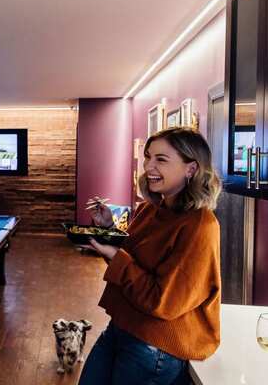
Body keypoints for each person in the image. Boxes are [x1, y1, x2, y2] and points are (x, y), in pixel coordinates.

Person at [78, 127, 222, 385]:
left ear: (191, 169)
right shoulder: (150, 209)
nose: (149, 166)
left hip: (154, 347)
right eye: (148, 157)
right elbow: (133, 257)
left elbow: (164, 302)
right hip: (121, 326)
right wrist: (109, 230)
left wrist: (115, 254)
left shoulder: (200, 226)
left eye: (161, 159)